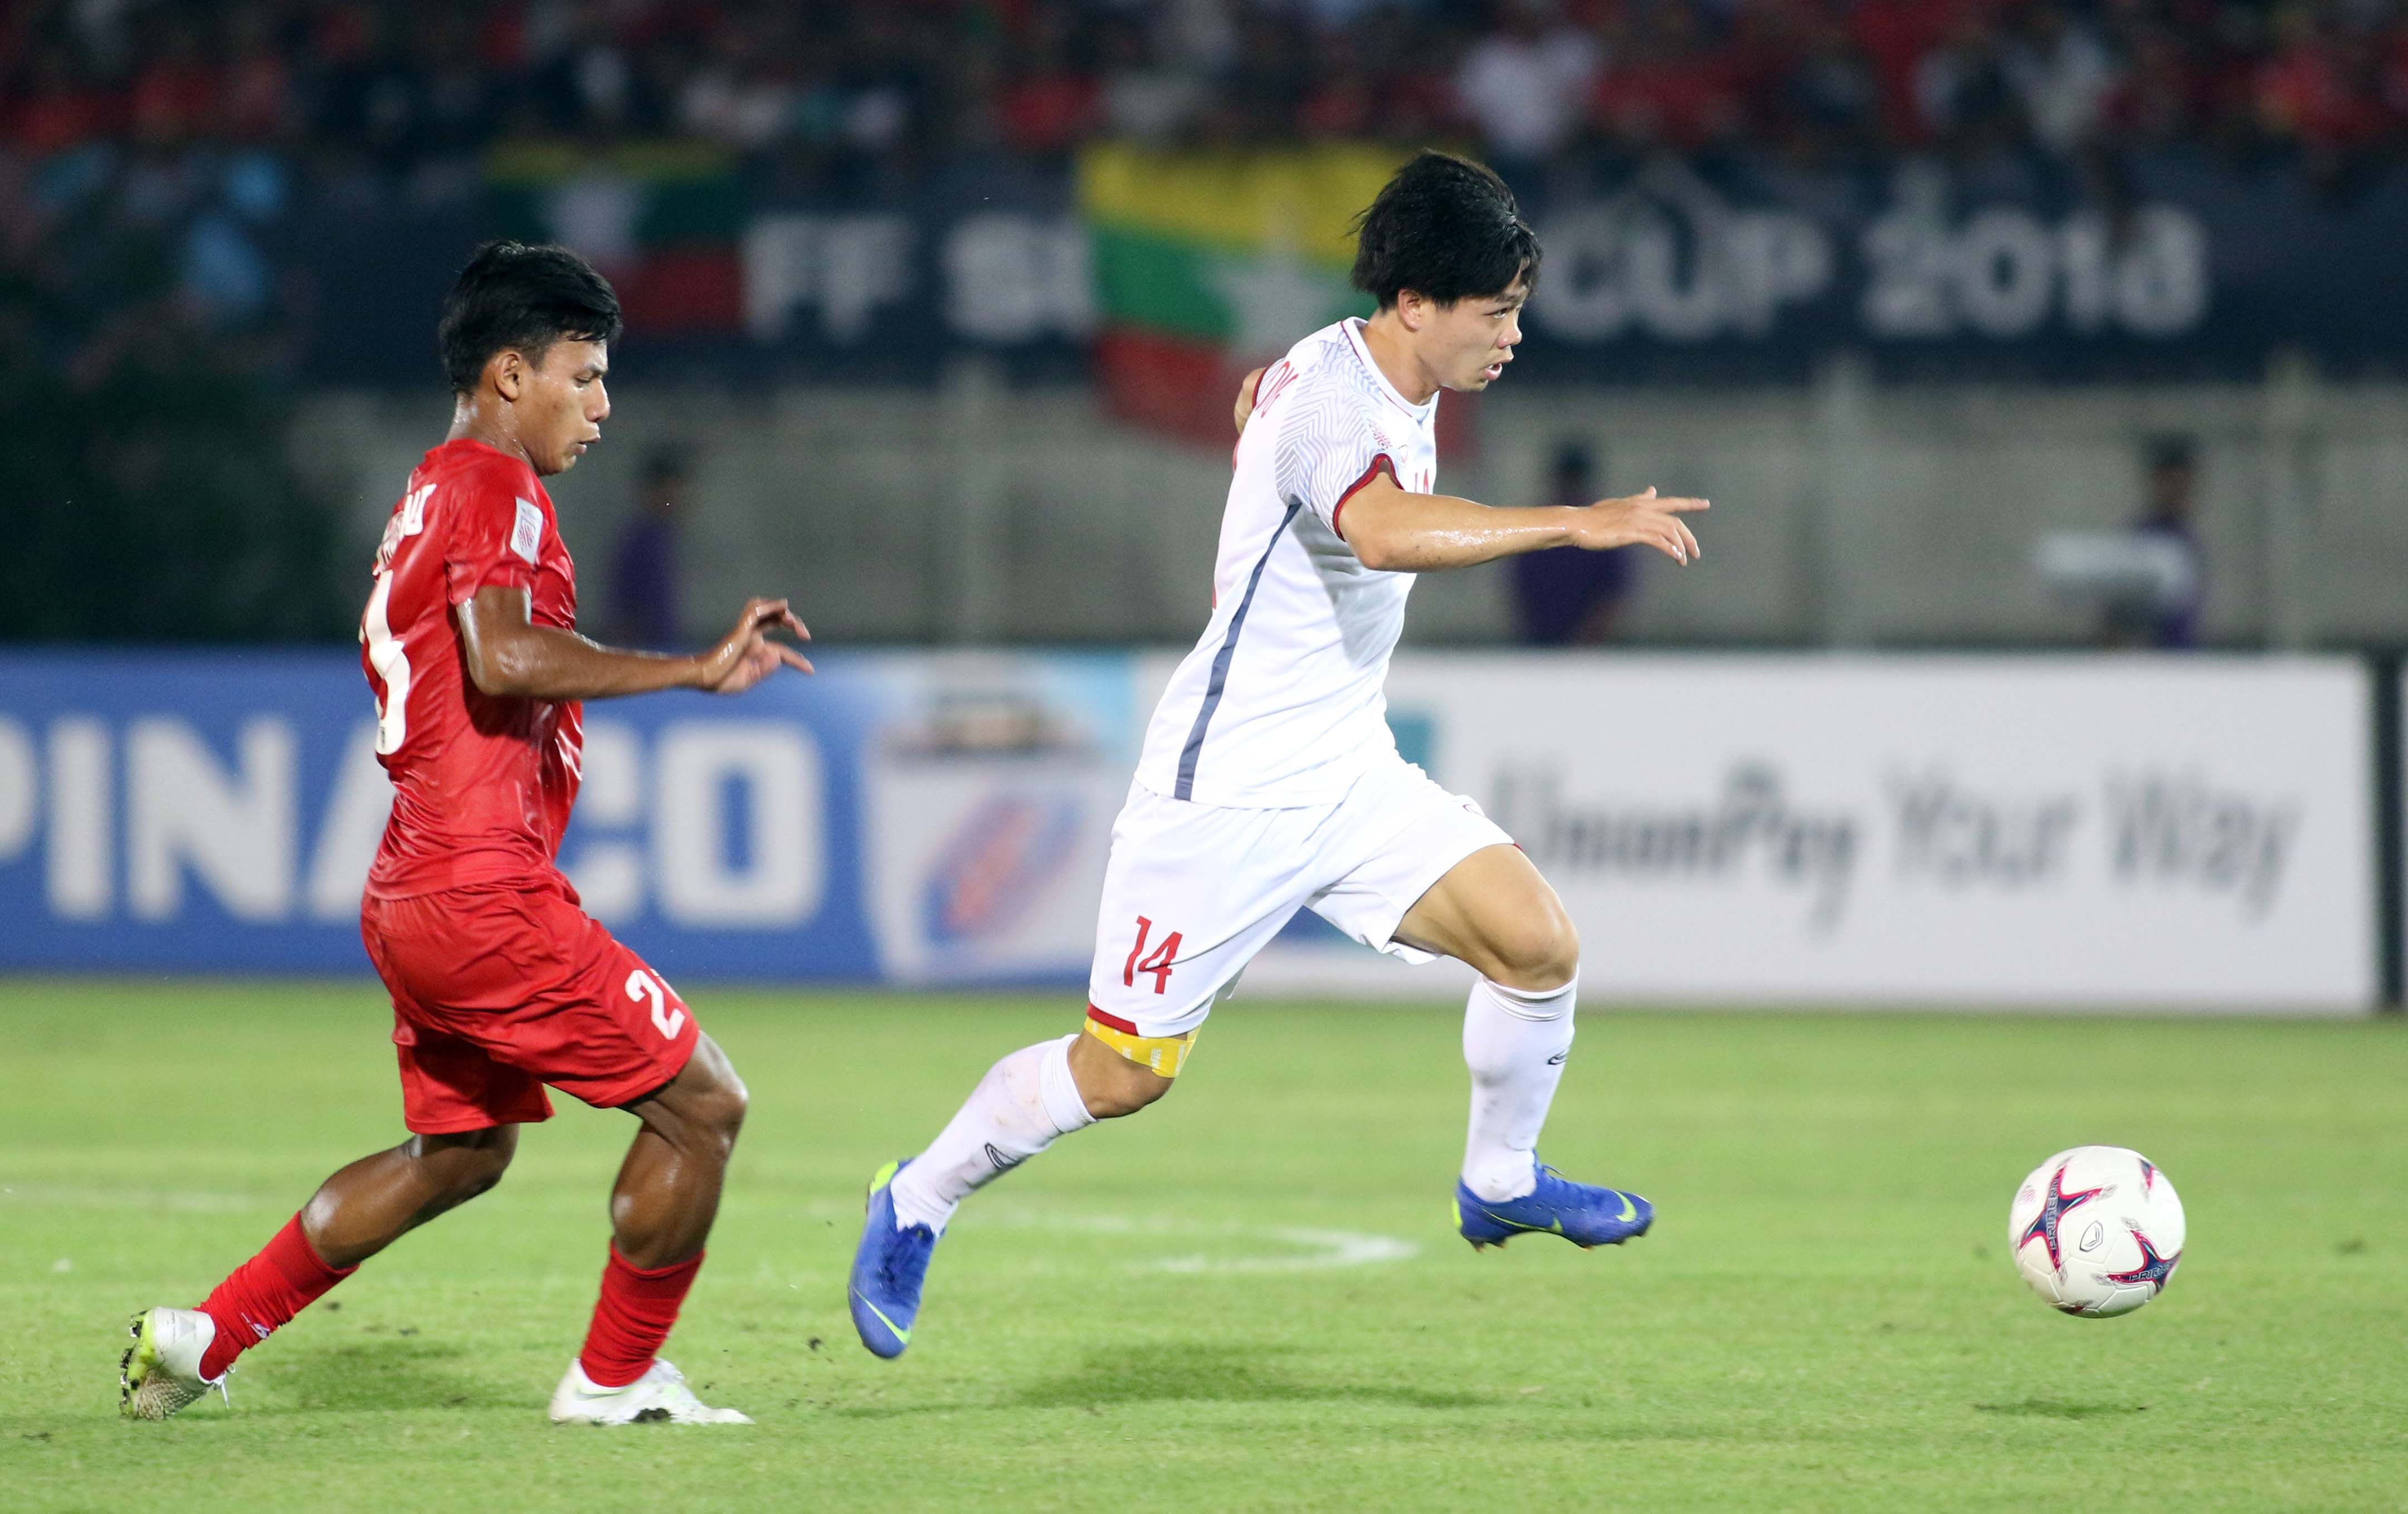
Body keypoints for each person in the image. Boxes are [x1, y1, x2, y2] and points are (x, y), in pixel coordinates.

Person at [847, 152, 1707, 1360]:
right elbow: (1381, 529)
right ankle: (916, 1198)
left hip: (1346, 775)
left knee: (1536, 943)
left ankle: (1499, 1179)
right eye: (1497, 311)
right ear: (1415, 302)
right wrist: (1571, 521)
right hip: (1222, 790)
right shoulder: (1334, 401)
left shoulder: (1345, 371)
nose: (1514, 333)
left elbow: (1265, 402)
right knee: (1122, 1076)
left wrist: (1263, 414)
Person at [118, 242, 812, 1426]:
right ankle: (614, 1379)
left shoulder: (430, 490)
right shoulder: (495, 488)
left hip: (415, 886)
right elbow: (501, 655)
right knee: (706, 1107)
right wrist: (692, 667)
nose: (601, 407)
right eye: (583, 378)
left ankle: (204, 1335)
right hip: (479, 890)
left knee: (460, 1153)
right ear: (508, 376)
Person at [1510, 441, 1639, 644]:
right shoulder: (1541, 526)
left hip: (1581, 647)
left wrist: (1588, 637)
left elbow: (1613, 595)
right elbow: (1518, 587)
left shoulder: (1600, 529)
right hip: (1541, 642)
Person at [2104, 434, 2204, 649]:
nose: (2180, 494)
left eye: (2184, 486)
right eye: (2173, 484)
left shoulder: (2188, 539)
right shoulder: (2144, 540)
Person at [610, 448, 690, 647]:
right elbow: (623, 612)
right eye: (669, 491)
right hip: (645, 652)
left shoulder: (667, 537)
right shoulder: (639, 542)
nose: (675, 499)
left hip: (666, 650)